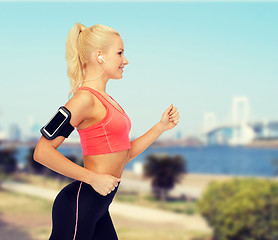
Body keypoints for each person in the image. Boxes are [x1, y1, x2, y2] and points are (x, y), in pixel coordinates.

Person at [33, 22, 180, 240]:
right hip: (78, 207)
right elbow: (42, 151)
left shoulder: (109, 101)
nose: (125, 60)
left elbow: (123, 155)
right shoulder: (83, 99)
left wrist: (160, 127)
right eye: (120, 53)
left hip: (99, 207)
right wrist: (93, 178)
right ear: (100, 55)